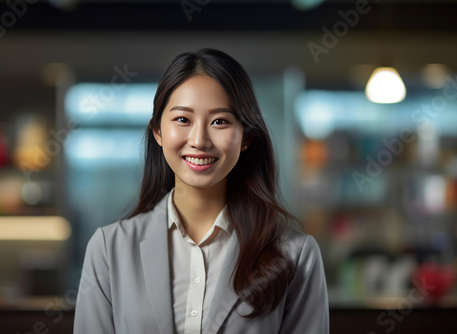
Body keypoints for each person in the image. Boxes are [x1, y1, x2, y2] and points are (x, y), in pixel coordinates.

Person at [73, 48, 329, 334]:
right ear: (158, 131)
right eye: (183, 119)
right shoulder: (109, 250)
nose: (199, 140)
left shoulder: (296, 256)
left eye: (220, 121)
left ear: (245, 137)